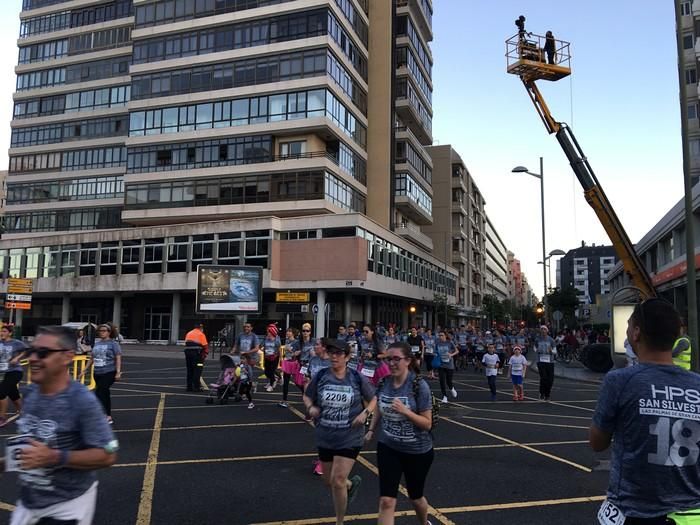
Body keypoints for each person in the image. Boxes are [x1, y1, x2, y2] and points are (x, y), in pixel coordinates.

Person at [590, 298, 700, 524]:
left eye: (629, 325)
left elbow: (597, 443)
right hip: (692, 513)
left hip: (636, 511)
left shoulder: (620, 381)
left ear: (636, 333)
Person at [6, 325, 118, 525]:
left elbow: (108, 454)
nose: (32, 358)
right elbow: (26, 447)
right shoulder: (31, 393)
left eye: (43, 353)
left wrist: (53, 456)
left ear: (67, 356)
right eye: (32, 351)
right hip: (28, 503)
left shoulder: (82, 401)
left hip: (65, 509)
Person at [304, 339, 376, 525]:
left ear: (347, 356)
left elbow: (374, 398)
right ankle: (350, 484)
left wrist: (365, 413)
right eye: (331, 352)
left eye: (339, 353)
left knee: (337, 481)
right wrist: (311, 407)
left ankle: (339, 521)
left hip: (350, 437)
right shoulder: (321, 376)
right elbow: (307, 395)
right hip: (325, 436)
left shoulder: (356, 377)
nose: (334, 356)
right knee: (328, 481)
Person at [366, 342, 435, 525]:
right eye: (389, 359)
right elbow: (380, 407)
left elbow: (427, 424)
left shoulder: (419, 386)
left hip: (417, 451)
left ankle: (423, 522)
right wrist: (371, 429)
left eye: (396, 359)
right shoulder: (383, 382)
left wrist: (406, 412)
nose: (391, 363)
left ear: (408, 361)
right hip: (388, 447)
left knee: (415, 497)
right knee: (386, 500)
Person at [85, 323, 122, 424]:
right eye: (100, 331)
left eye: (104, 331)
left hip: (109, 371)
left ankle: (105, 415)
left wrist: (118, 372)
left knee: (100, 391)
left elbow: (118, 357)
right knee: (104, 393)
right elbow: (92, 357)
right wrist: (85, 370)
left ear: (109, 332)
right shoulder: (97, 343)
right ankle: (107, 415)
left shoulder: (113, 344)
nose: (101, 333)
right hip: (97, 372)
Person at [0, 323, 27, 427]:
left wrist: (17, 358)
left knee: (1, 393)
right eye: (1, 331)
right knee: (13, 394)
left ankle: (2, 418)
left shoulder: (16, 343)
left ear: (10, 333)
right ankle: (24, 413)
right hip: (4, 372)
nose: (2, 333)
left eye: (4, 331)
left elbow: (26, 351)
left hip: (15, 371)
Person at [233, 322, 260, 391]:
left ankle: (250, 386)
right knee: (241, 373)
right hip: (242, 358)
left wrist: (246, 352)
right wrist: (233, 350)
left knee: (248, 374)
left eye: (248, 327)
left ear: (251, 328)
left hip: (251, 358)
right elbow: (236, 344)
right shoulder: (240, 335)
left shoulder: (254, 336)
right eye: (245, 327)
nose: (246, 328)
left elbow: (257, 348)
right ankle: (247, 388)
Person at [279, 327, 301, 408]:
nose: (287, 333)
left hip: (294, 363)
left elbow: (299, 352)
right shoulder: (287, 341)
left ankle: (305, 395)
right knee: (286, 382)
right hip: (287, 362)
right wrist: (284, 356)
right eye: (287, 331)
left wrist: (291, 351)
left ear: (293, 333)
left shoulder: (296, 342)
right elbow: (286, 353)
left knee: (297, 382)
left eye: (289, 331)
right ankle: (284, 400)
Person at [184, 323, 208, 393]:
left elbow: (186, 343)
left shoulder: (189, 333)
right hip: (197, 354)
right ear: (200, 328)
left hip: (188, 354)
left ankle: (189, 387)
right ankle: (197, 387)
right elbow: (205, 346)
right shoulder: (201, 334)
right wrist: (205, 354)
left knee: (190, 370)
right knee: (198, 370)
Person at [435, 331, 458, 403]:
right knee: (441, 381)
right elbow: (436, 351)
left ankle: (451, 388)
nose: (440, 337)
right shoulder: (437, 343)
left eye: (441, 335)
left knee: (449, 381)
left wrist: (451, 355)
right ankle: (444, 396)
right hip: (441, 364)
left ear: (445, 336)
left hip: (449, 364)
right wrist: (435, 354)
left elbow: (457, 351)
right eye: (439, 335)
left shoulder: (450, 343)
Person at [534, 326, 556, 401]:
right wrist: (536, 350)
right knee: (543, 378)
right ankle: (542, 394)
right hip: (540, 361)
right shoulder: (537, 339)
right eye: (542, 329)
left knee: (550, 379)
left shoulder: (551, 340)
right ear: (540, 331)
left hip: (550, 361)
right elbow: (534, 347)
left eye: (544, 329)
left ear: (547, 330)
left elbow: (555, 351)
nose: (543, 331)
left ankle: (547, 394)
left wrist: (551, 351)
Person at [262, 324, 281, 392]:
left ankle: (271, 385)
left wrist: (280, 360)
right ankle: (274, 379)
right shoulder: (266, 338)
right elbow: (263, 347)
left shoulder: (277, 340)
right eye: (267, 332)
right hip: (267, 357)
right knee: (266, 372)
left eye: (269, 332)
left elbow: (279, 349)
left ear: (273, 332)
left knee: (272, 371)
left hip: (274, 358)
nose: (268, 333)